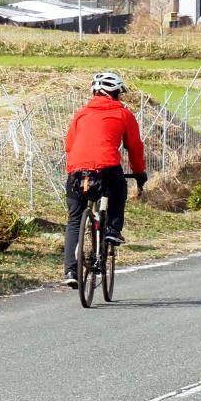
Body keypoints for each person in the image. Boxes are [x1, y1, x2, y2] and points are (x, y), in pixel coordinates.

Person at [62, 70, 147, 288]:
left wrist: (75, 167)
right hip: (106, 168)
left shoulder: (80, 114)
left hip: (77, 172)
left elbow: (69, 145)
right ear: (115, 93)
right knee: (119, 189)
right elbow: (135, 147)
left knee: (74, 220)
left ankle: (71, 270)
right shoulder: (123, 114)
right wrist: (139, 173)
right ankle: (113, 230)